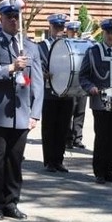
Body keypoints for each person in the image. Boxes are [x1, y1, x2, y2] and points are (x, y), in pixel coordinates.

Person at [0, 0, 43, 220]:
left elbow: (38, 82)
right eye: (9, 17)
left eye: (17, 17)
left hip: (22, 113)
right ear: (1, 19)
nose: (14, 20)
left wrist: (35, 113)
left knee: (15, 161)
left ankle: (11, 202)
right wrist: (10, 68)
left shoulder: (30, 46)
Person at [79, 18, 112, 184]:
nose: (111, 35)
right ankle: (99, 172)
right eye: (108, 32)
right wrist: (91, 87)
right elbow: (83, 75)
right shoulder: (93, 52)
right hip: (100, 99)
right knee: (102, 136)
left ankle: (110, 170)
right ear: (103, 32)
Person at [38, 13, 73, 172]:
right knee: (49, 128)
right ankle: (49, 161)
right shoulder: (43, 45)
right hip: (49, 92)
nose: (59, 30)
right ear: (50, 27)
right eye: (56, 27)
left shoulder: (69, 44)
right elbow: (38, 65)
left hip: (66, 92)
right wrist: (43, 74)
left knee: (63, 128)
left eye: (61, 27)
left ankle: (59, 160)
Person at [65, 20, 87, 149]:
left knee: (80, 111)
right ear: (67, 31)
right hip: (69, 83)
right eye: (71, 31)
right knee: (69, 111)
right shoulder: (64, 44)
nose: (74, 34)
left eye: (75, 31)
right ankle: (67, 138)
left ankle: (77, 137)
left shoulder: (83, 44)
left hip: (82, 83)